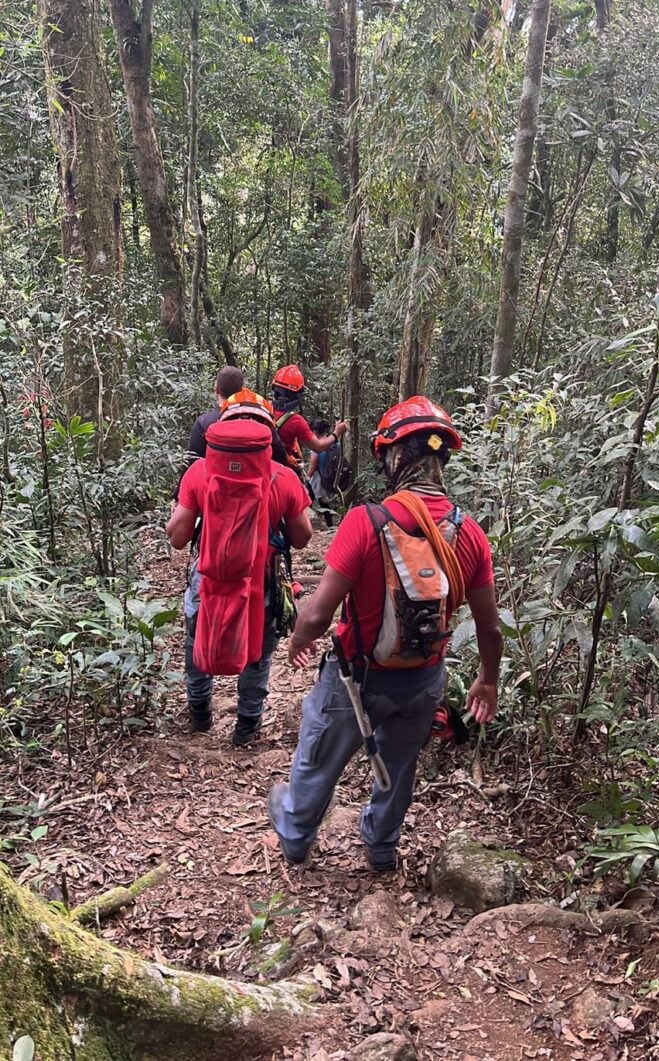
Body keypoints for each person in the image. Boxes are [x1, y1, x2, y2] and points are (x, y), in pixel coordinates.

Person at [267, 396, 502, 870]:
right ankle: (380, 847)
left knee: (319, 755)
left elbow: (317, 615)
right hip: (422, 679)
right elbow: (490, 627)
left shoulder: (366, 522)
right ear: (442, 459)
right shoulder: (471, 534)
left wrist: (299, 638)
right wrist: (488, 679)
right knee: (399, 764)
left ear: (392, 458)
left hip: (357, 677)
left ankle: (295, 834)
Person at [166, 396, 312, 746]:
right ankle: (246, 727)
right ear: (268, 435)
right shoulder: (284, 477)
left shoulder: (199, 472)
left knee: (197, 638)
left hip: (207, 576)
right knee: (258, 652)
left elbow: (177, 538)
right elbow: (303, 538)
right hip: (262, 578)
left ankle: (199, 714)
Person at [271, 365, 347, 472]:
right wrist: (337, 433)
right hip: (283, 472)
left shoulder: (263, 409)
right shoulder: (296, 421)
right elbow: (318, 447)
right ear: (297, 395)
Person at [188, 365, 244, 460]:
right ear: (241, 391)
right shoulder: (257, 419)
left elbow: (193, 461)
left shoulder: (203, 423)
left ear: (216, 389)